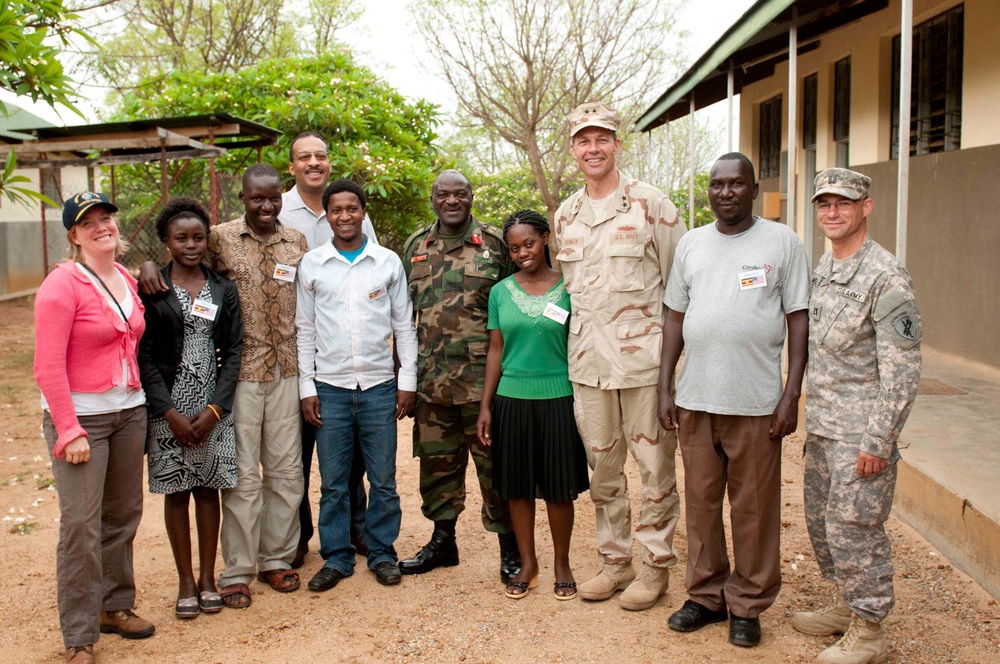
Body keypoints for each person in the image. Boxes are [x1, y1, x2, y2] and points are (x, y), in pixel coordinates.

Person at [658, 153, 810, 647]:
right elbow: (675, 318)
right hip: (697, 398)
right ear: (709, 191)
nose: (726, 193)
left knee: (754, 508)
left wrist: (791, 394)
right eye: (717, 185)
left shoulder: (782, 242)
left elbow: (798, 319)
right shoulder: (691, 244)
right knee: (702, 504)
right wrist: (666, 386)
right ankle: (706, 596)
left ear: (753, 188)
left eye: (736, 184)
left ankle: (748, 602)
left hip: (757, 401)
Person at [139, 163, 308, 608]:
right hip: (241, 375)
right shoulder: (220, 239)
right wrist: (144, 266)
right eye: (257, 198)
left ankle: (275, 556)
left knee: (288, 472)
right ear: (244, 199)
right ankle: (236, 570)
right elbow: (183, 269)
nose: (267, 206)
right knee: (240, 477)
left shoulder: (297, 241)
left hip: (288, 369)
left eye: (274, 198)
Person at [549, 101, 685, 611]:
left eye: (601, 138)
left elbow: (680, 287)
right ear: (573, 150)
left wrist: (675, 368)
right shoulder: (566, 215)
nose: (593, 148)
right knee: (603, 470)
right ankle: (615, 562)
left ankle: (654, 567)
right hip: (588, 366)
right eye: (583, 140)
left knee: (654, 468)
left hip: (645, 366)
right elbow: (569, 293)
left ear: (616, 144)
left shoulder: (650, 205)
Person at [792, 168, 921, 664]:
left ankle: (869, 631)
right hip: (824, 427)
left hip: (861, 435)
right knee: (824, 526)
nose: (832, 212)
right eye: (824, 204)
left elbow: (903, 372)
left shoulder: (885, 276)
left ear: (865, 207)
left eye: (843, 203)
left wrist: (879, 441)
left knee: (856, 527)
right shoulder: (825, 267)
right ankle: (847, 607)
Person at [34, 192, 154, 663]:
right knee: (80, 527)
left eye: (107, 217)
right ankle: (80, 636)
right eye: (90, 223)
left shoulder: (125, 276)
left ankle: (115, 605)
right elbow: (47, 366)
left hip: (129, 410)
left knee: (122, 515)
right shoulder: (61, 285)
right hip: (83, 418)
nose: (102, 227)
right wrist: (69, 429)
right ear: (74, 235)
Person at [296, 178, 417, 591]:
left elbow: (404, 325)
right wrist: (306, 388)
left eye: (351, 209)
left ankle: (382, 552)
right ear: (327, 215)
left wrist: (407, 380)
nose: (344, 216)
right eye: (336, 210)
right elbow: (304, 329)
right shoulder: (313, 264)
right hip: (330, 387)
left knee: (383, 479)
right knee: (332, 481)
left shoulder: (386, 263)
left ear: (364, 212)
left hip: (380, 386)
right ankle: (337, 556)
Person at [399, 169, 520, 582]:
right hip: (432, 382)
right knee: (437, 466)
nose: (452, 201)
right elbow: (402, 318)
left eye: (460, 194)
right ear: (432, 198)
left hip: (484, 384)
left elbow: (515, 310)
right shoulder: (416, 246)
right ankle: (443, 542)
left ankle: (511, 546)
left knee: (495, 468)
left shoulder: (495, 244)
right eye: (443, 194)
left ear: (471, 197)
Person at [137, 197, 243, 619]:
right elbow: (143, 355)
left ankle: (207, 579)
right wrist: (169, 413)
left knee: (207, 490)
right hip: (169, 410)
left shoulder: (222, 287)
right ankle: (184, 580)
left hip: (212, 408)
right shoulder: (152, 287)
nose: (191, 245)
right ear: (166, 241)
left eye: (198, 237)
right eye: (181, 238)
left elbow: (235, 349)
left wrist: (216, 408)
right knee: (177, 492)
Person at [477, 209, 590, 600]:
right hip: (511, 400)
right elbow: (496, 349)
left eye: (529, 243)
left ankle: (562, 563)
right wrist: (486, 406)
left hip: (559, 398)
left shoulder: (570, 287)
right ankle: (529, 564)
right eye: (514, 248)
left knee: (559, 489)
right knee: (517, 488)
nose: (523, 252)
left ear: (545, 239)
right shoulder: (500, 292)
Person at [281, 132, 377, 565]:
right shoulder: (276, 209)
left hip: (346, 357)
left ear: (330, 163)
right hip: (292, 351)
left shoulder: (351, 210)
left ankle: (356, 527)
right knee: (298, 453)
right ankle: (299, 535)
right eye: (305, 157)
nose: (313, 162)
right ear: (292, 166)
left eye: (321, 155)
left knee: (350, 452)